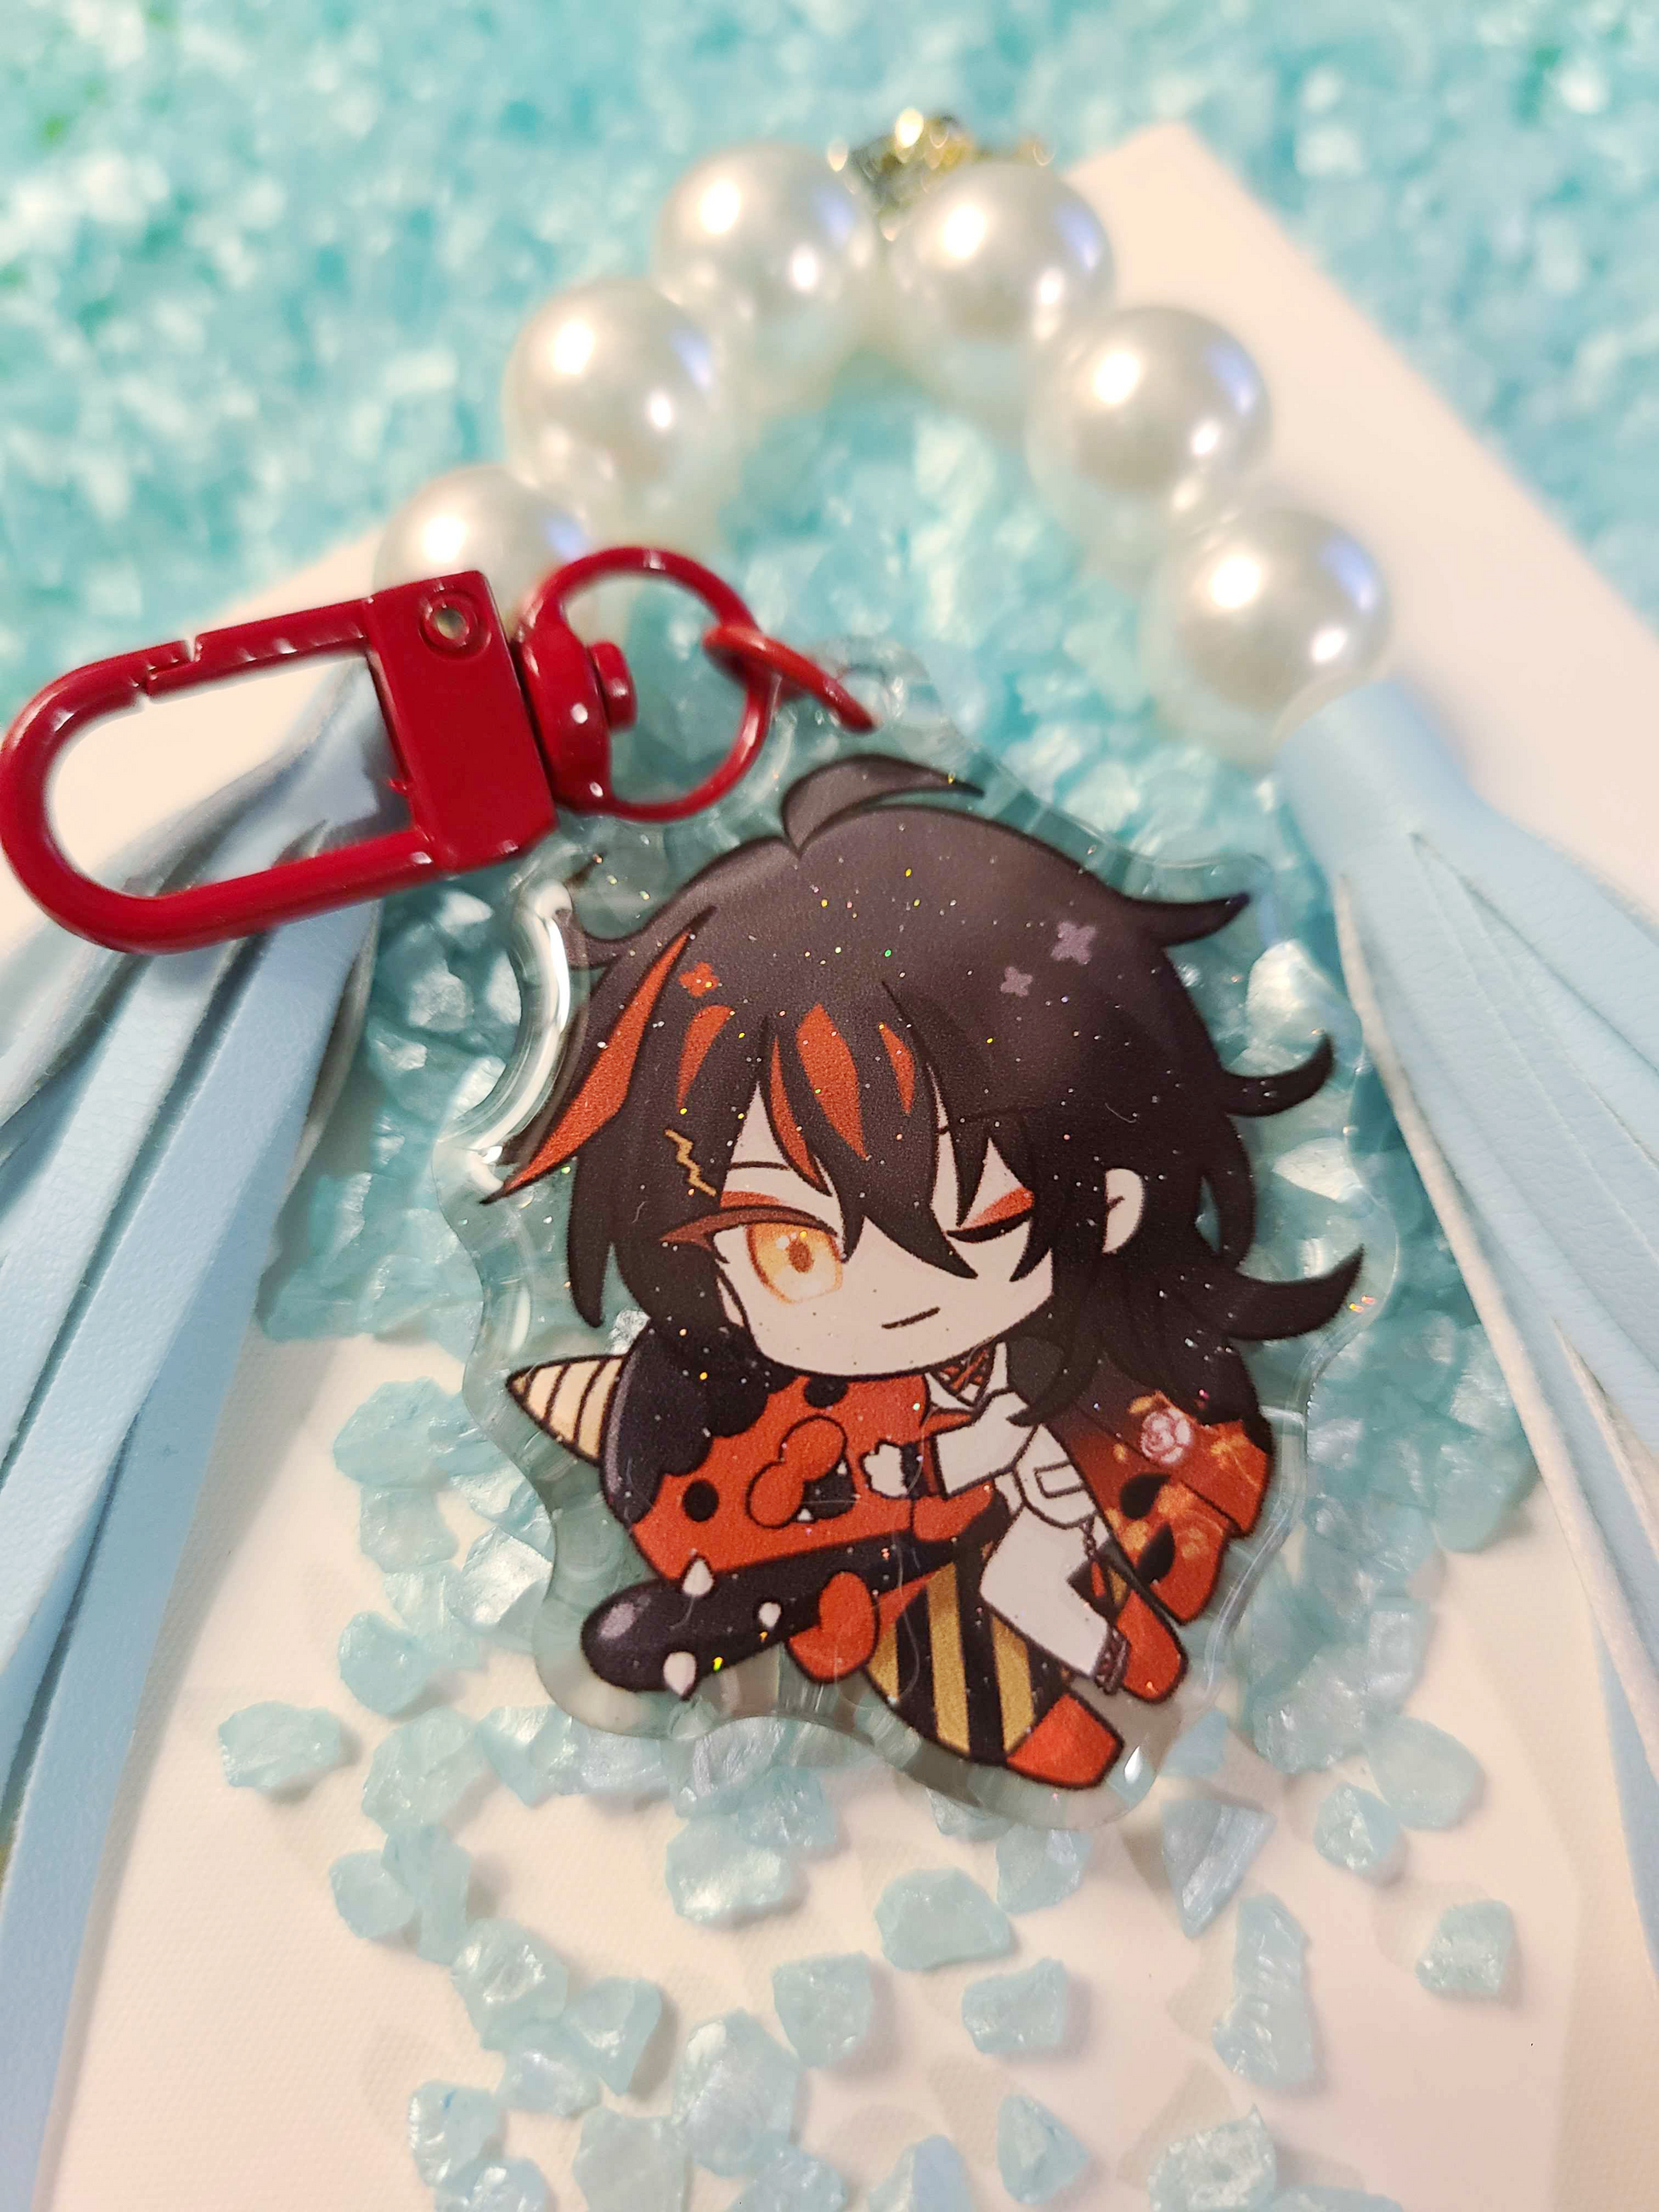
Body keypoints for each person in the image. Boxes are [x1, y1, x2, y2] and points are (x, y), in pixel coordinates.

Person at [499, 754, 1358, 1784]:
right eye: (790, 1247)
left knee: (1043, 1582)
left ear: (1115, 1188)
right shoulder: (802, 1395)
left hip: (1083, 1493)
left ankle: (1123, 1663)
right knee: (1010, 1609)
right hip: (955, 1556)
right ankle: (1103, 1673)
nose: (886, 1287)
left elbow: (991, 1451)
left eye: (974, 1209)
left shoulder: (1134, 1387)